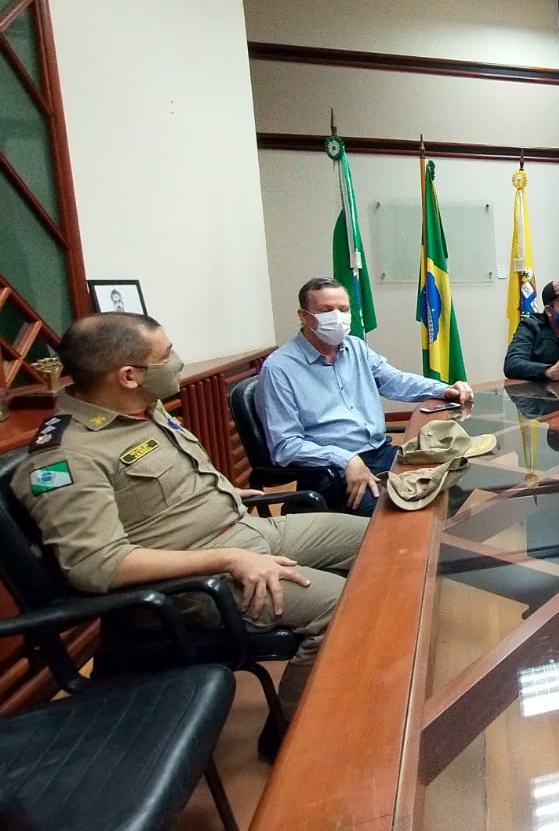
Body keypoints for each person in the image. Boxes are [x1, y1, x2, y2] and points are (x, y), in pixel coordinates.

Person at [12, 312, 368, 731]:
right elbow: (97, 565)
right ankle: (294, 734)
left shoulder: (143, 408)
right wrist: (228, 559)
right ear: (128, 376)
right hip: (196, 579)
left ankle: (364, 672)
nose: (178, 362)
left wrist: (225, 494)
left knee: (378, 537)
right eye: (166, 355)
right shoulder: (67, 457)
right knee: (343, 606)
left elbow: (160, 492)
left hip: (240, 529)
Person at [256, 276, 474, 515]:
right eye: (326, 310)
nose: (337, 317)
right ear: (304, 316)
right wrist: (345, 458)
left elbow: (394, 380)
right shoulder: (279, 369)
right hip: (330, 471)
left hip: (381, 453)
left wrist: (443, 389)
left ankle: (437, 538)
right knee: (397, 513)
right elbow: (285, 447)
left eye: (343, 309)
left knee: (457, 479)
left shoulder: (355, 347)